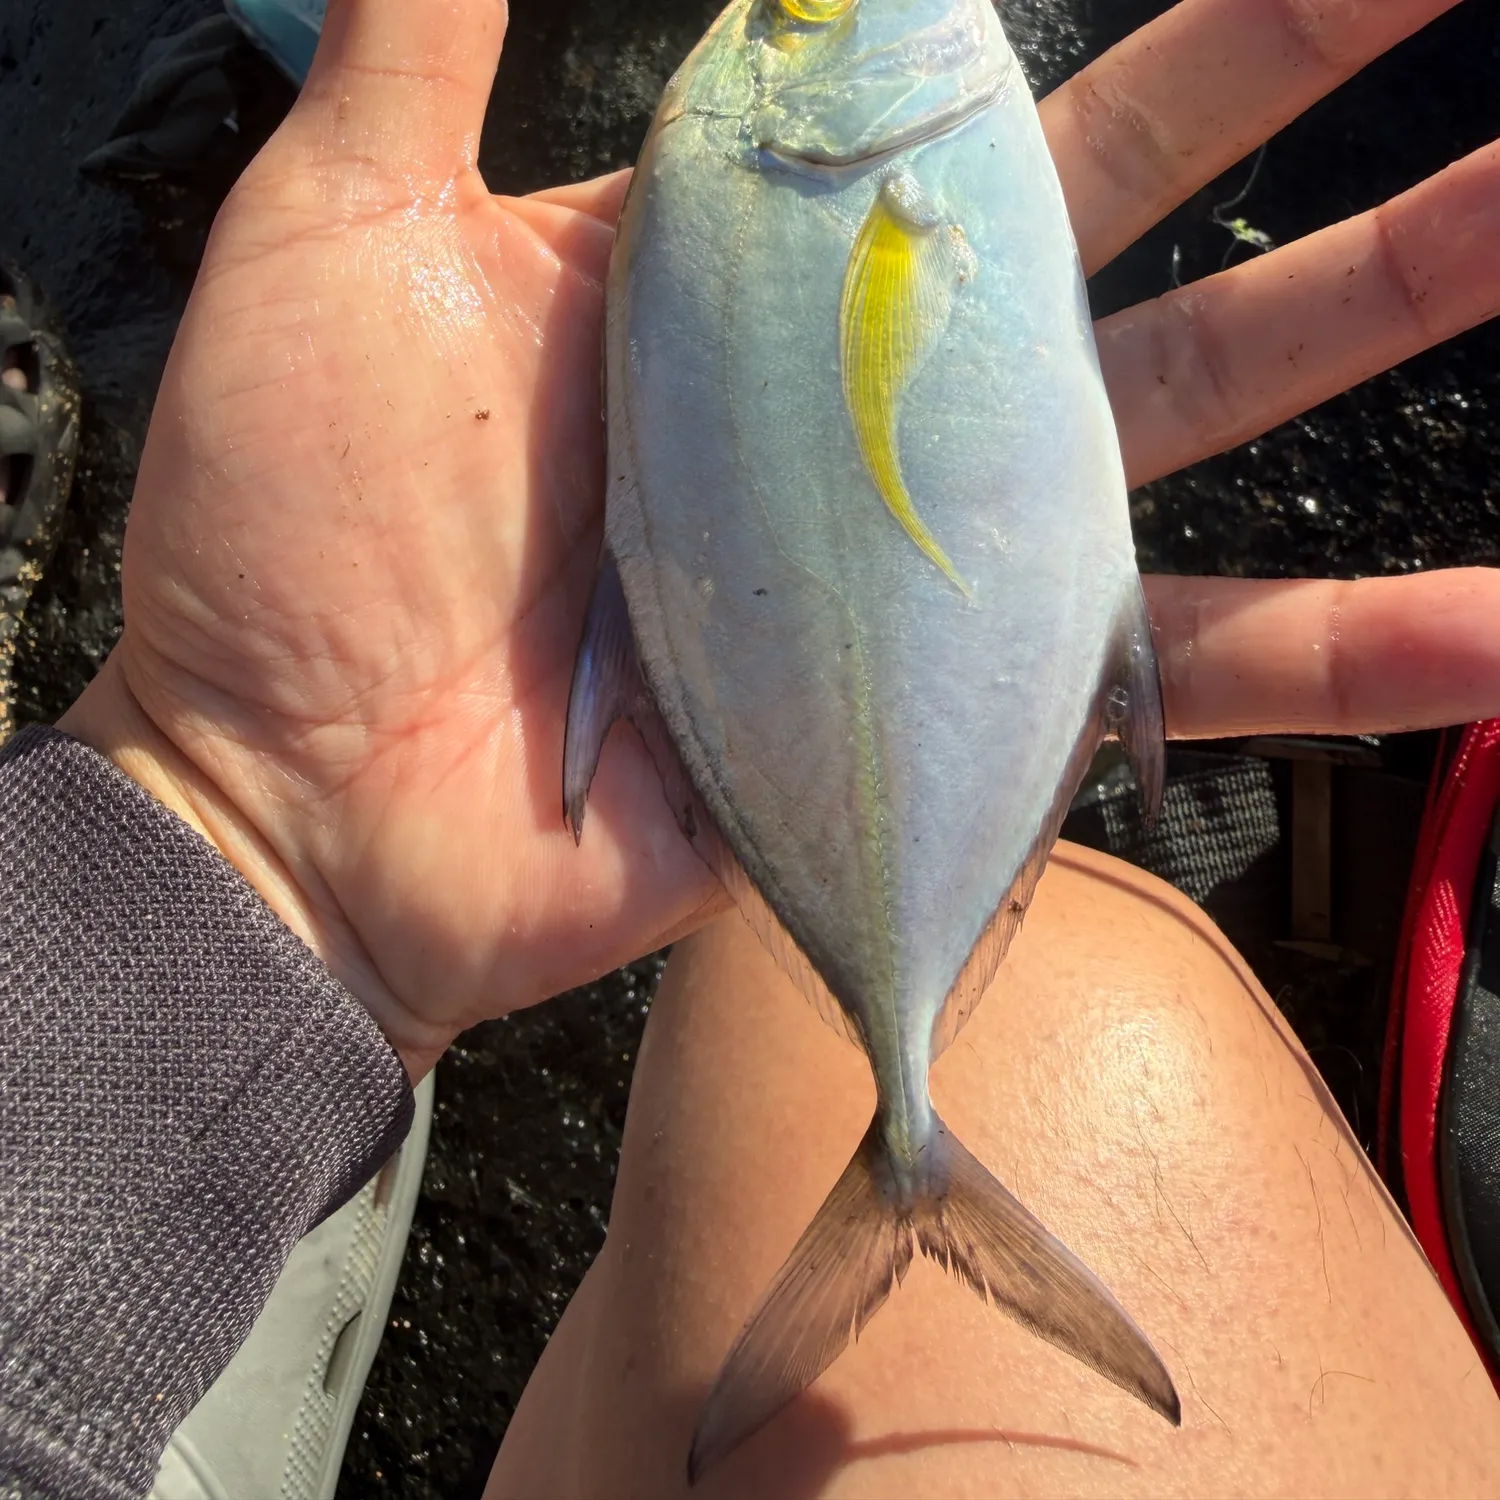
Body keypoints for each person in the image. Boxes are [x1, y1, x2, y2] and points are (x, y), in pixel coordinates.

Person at [3, 0, 1499, 1496]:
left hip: (77, 1270)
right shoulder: (769, 145)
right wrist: (239, 827)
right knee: (1103, 991)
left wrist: (227, 808)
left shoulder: (764, 149)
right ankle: (896, 1133)